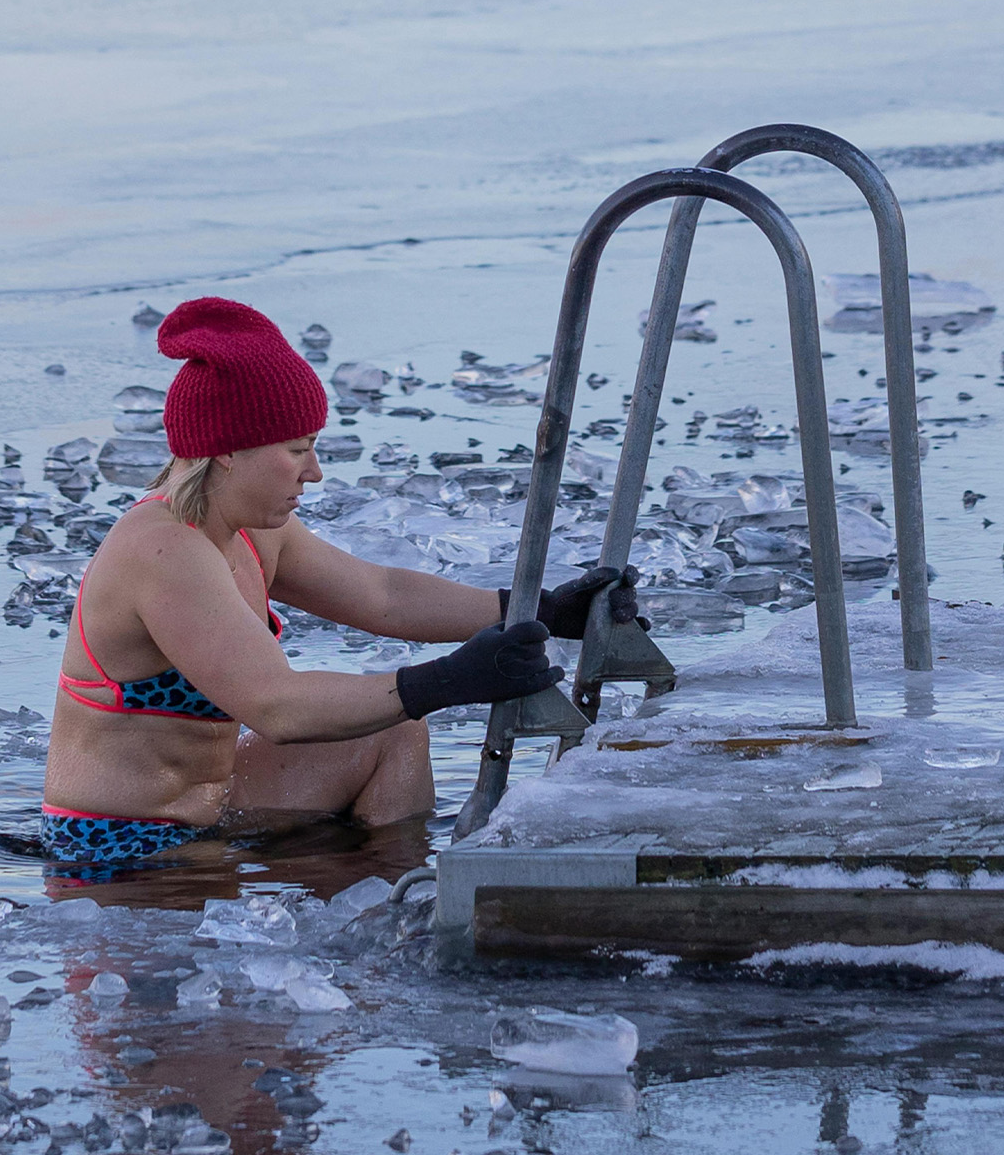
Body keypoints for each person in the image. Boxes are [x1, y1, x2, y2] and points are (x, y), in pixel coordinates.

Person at [41, 296, 641, 871]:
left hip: (212, 811)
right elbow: (278, 707)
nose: (314, 471)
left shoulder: (253, 530)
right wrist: (453, 679)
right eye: (297, 448)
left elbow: (384, 595)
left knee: (393, 734)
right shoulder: (163, 546)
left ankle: (396, 896)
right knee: (399, 710)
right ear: (227, 451)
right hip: (120, 848)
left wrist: (541, 609)